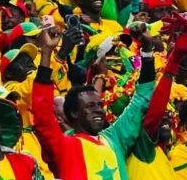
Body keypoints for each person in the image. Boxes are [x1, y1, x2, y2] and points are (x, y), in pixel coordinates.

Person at [32, 28, 155, 180]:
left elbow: (141, 98)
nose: (99, 110)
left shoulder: (114, 138)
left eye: (100, 105)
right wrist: (46, 53)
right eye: (90, 106)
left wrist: (147, 51)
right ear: (74, 113)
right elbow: (42, 117)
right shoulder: (64, 146)